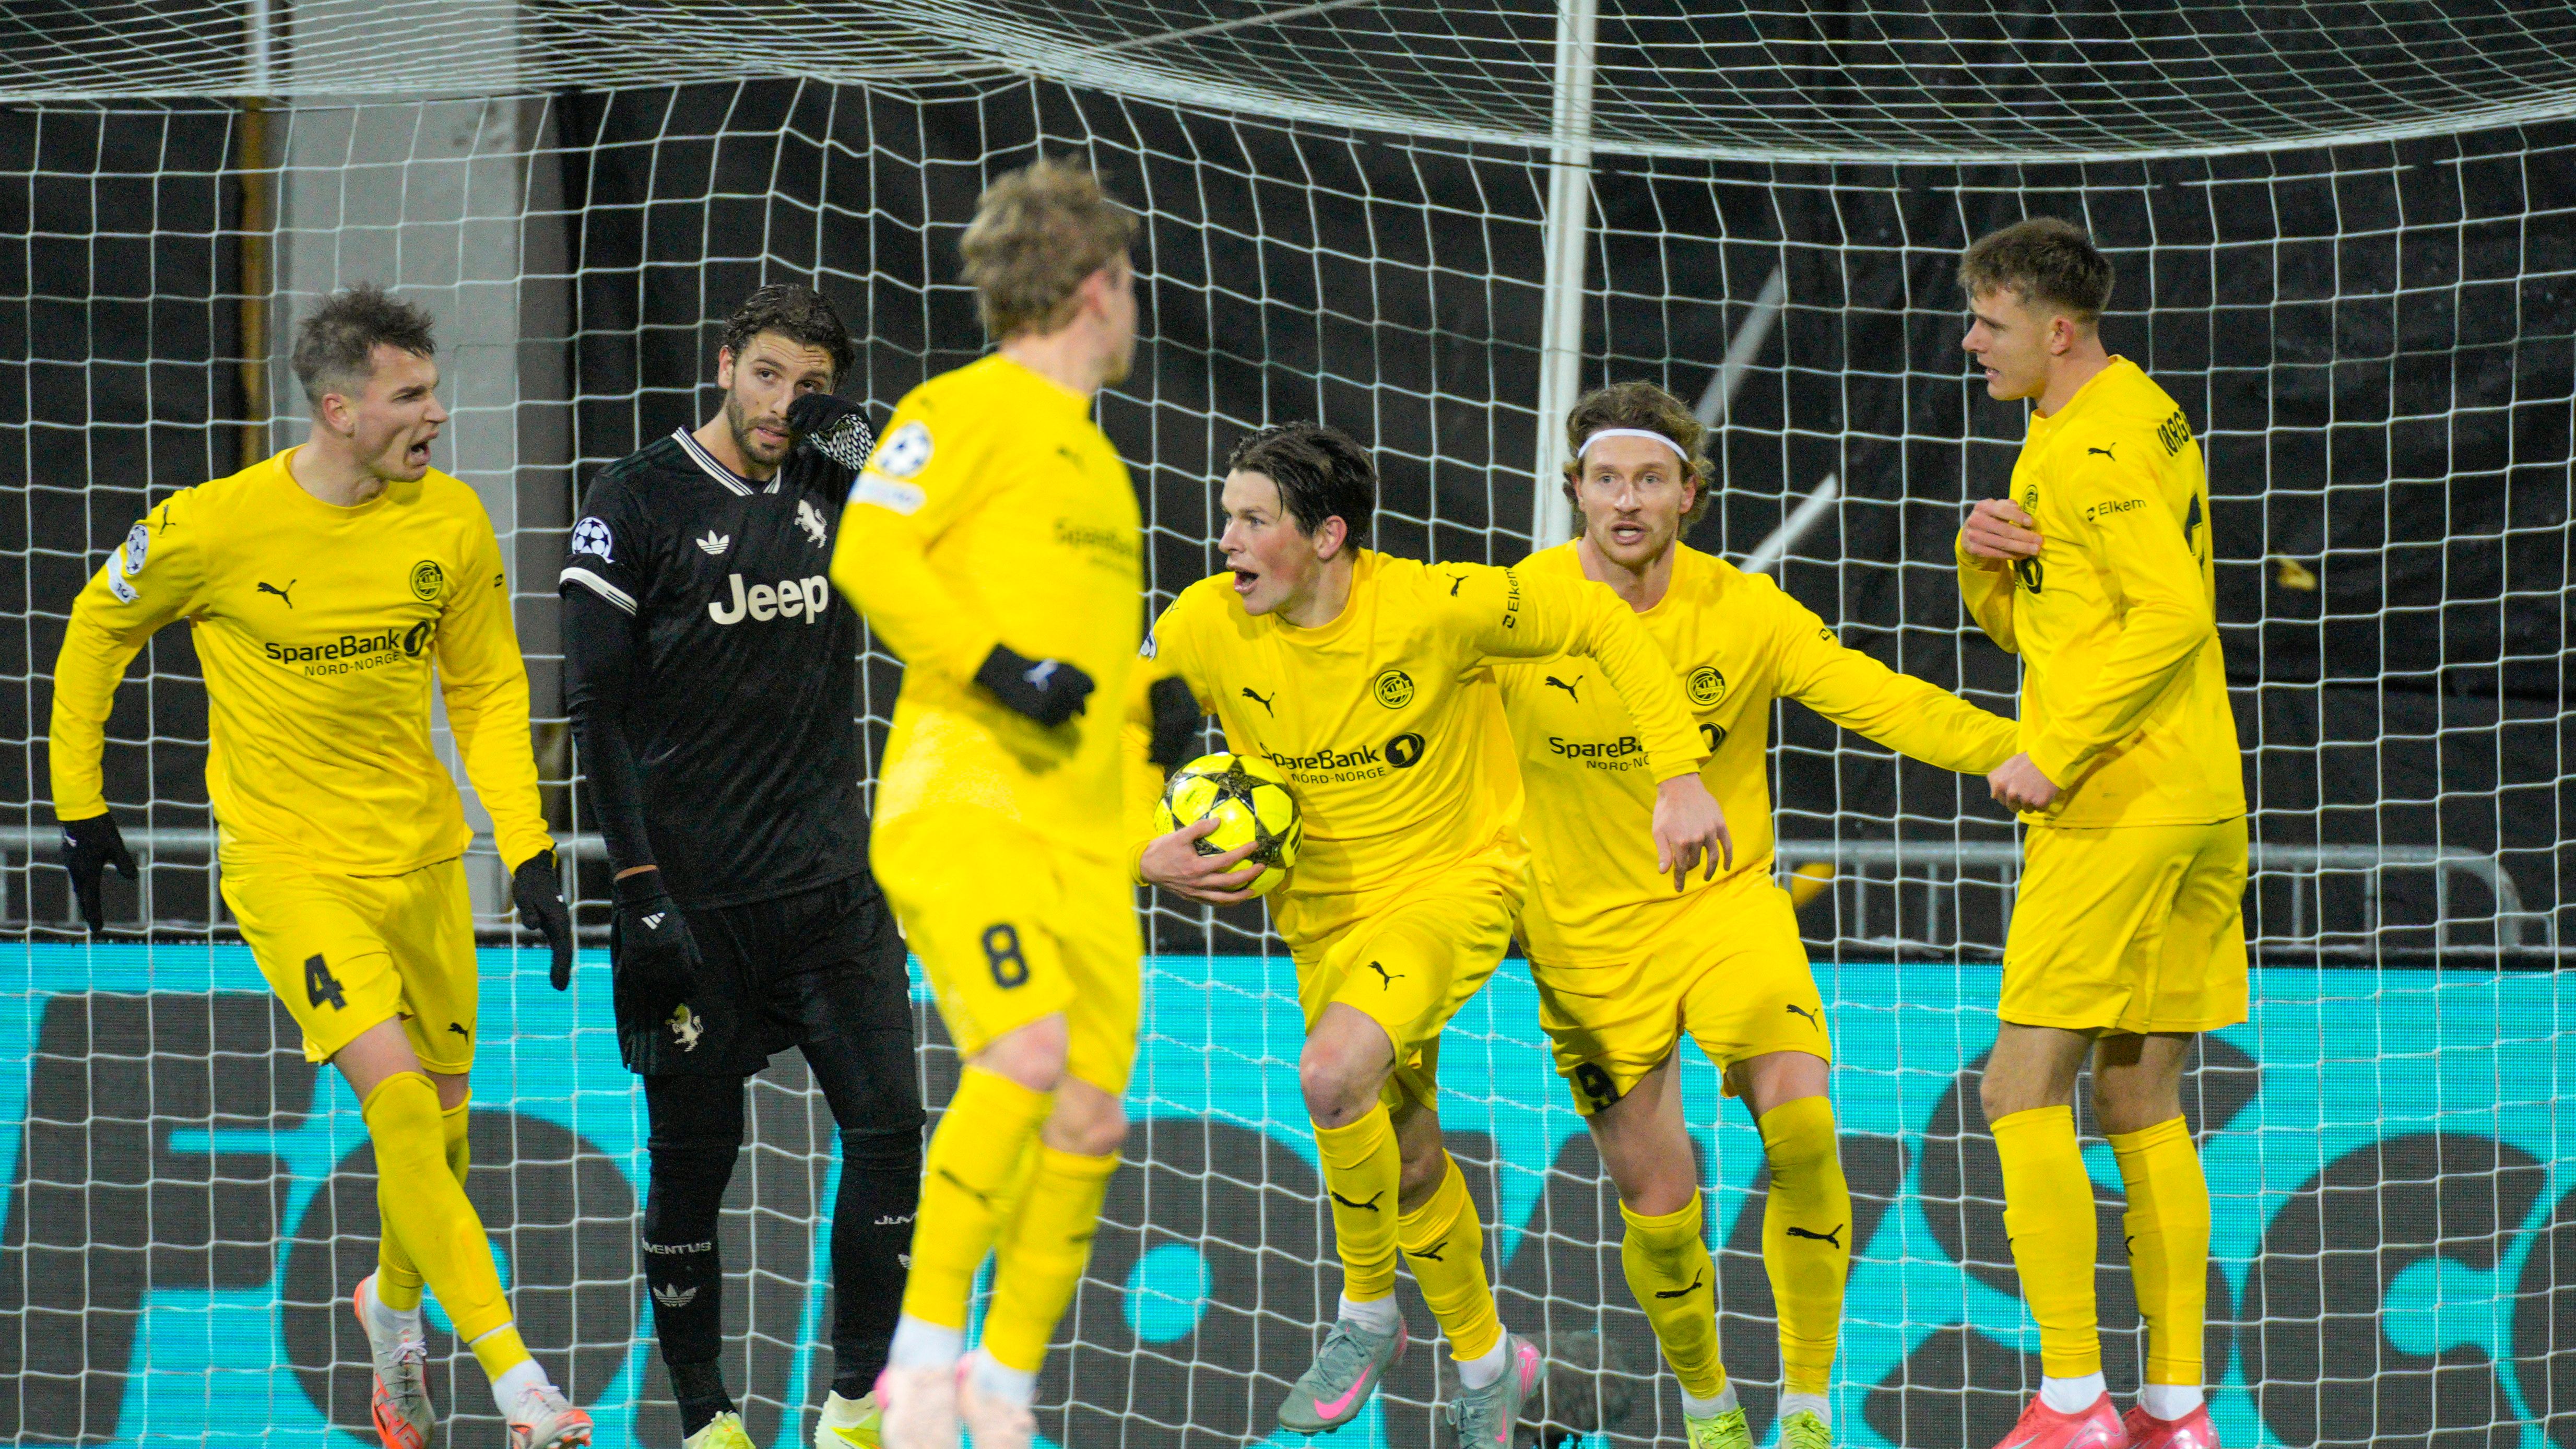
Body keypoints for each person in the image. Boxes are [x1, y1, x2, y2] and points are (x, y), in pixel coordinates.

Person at [48, 285, 587, 1449]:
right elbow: (98, 625)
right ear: (337, 409)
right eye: (410, 396)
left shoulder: (447, 523)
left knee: (437, 1135)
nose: (435, 416)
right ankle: (516, 1377)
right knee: (395, 1098)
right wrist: (79, 803)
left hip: (424, 862)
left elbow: (488, 688)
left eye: (433, 392)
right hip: (290, 867)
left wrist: (529, 843)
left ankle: (392, 1308)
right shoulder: (214, 526)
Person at [1130, 421, 1732, 1449]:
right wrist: (1141, 849)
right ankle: (1490, 1365)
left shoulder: (1437, 605)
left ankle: (1367, 1314)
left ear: (1326, 536)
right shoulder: (1200, 623)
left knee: (1329, 1076)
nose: (1225, 540)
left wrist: (1677, 774)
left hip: (1456, 889)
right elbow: (1108, 738)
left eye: (1250, 520)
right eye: (1224, 516)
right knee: (1405, 1162)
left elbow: (1602, 624)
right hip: (1321, 919)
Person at [1500, 382, 2019, 1449]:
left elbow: (1875, 692)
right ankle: (1706, 1400)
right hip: (1588, 940)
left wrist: (2008, 749)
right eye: (1606, 478)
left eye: (1650, 478)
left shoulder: (1741, 610)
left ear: (1690, 494)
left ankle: (1807, 1399)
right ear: (1574, 492)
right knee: (1661, 1199)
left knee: (1803, 1127)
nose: (1626, 499)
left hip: (1726, 907)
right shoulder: (1514, 607)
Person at [557, 283, 921, 1449]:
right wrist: (637, 890)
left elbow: (935, 510)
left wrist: (855, 436)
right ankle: (709, 1415)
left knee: (890, 1131)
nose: (783, 403)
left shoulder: (834, 481)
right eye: (767, 373)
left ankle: (855, 1405)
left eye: (809, 385)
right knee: (692, 1168)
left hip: (830, 896)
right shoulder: (634, 501)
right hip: (693, 908)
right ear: (723, 363)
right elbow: (593, 710)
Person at [826, 158, 1148, 1449]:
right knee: (1020, 1059)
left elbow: (1086, 671)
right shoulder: (963, 406)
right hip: (963, 802)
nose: (1137, 309)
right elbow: (868, 547)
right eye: (1130, 284)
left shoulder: (1099, 464)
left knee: (1088, 1114)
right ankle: (915, 1370)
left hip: (1084, 839)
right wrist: (999, 669)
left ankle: (1002, 1392)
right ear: (1096, 285)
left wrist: (1152, 723)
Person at [1954, 217, 2244, 1449]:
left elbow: (2173, 613)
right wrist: (1981, 562)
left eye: (1991, 322)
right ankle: (2174, 1413)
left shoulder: (2096, 443)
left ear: (2055, 328)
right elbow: (2045, 622)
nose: (1972, 343)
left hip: (2117, 804)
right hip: (2201, 792)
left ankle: (2071, 1400)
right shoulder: (2117, 410)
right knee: (2140, 1099)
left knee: (2019, 1086)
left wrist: (2058, 751)